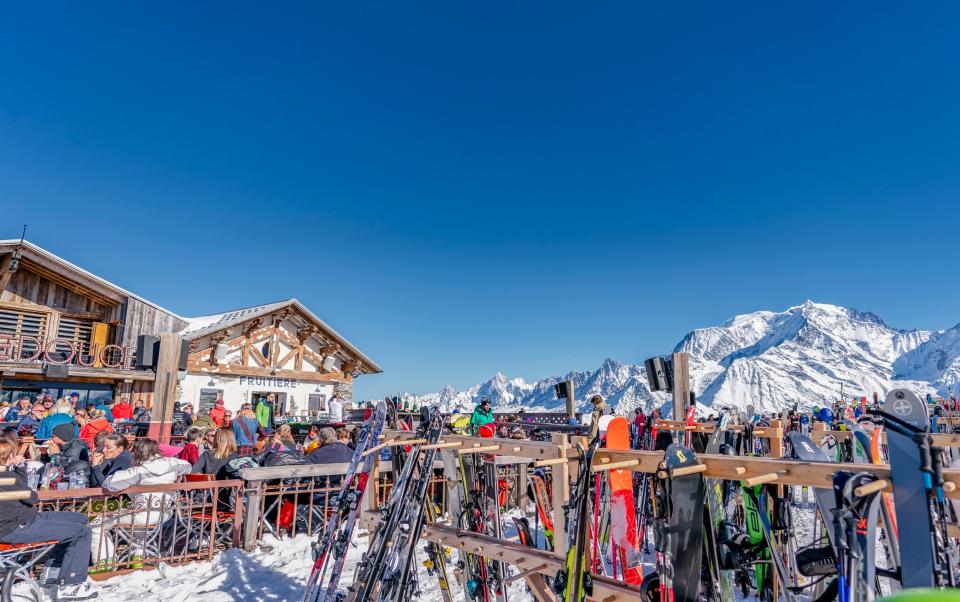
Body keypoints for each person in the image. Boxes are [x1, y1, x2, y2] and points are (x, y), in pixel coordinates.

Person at [0, 440, 98, 600]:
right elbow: (32, 497)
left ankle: (54, 570)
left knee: (80, 519)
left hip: (24, 519)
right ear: (8, 456)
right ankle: (71, 584)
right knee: (82, 533)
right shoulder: (5, 476)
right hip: (15, 527)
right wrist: (18, 470)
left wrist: (18, 469)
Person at [91, 439, 191, 564]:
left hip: (144, 514)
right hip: (165, 512)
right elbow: (188, 466)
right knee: (137, 521)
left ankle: (104, 561)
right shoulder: (173, 463)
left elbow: (109, 484)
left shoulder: (138, 471)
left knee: (97, 524)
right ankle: (138, 555)